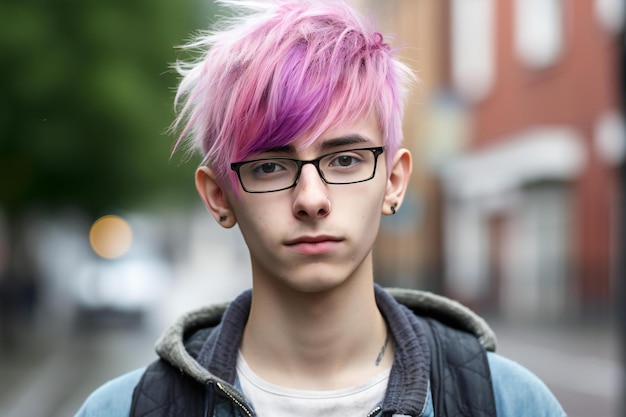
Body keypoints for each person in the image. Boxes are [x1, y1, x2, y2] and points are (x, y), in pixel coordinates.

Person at [75, 1, 567, 416]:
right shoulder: (121, 410)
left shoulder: (510, 403)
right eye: (270, 166)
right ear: (219, 196)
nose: (311, 199)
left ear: (394, 182)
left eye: (347, 159)